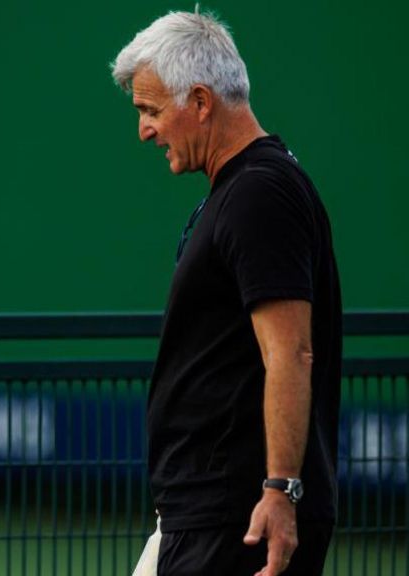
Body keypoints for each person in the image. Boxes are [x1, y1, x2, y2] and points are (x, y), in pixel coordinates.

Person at [111, 10, 341, 576]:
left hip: (238, 518)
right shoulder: (247, 187)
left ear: (200, 101)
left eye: (150, 110)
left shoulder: (258, 192)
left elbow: (290, 352)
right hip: (208, 513)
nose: (144, 130)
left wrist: (281, 491)